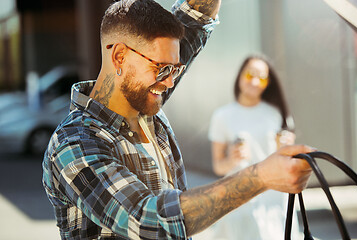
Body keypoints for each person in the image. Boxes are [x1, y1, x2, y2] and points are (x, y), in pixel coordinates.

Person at [42, 1, 314, 239]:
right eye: (162, 69)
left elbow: (198, 15)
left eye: (176, 69)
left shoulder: (145, 101)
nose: (171, 81)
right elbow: (149, 219)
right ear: (119, 56)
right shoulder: (74, 144)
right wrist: (259, 177)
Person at [207, 55, 300, 239]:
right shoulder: (222, 116)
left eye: (262, 77)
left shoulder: (275, 113)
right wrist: (232, 159)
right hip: (239, 198)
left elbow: (283, 159)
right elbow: (218, 167)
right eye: (250, 75)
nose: (255, 82)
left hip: (273, 198)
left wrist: (287, 148)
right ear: (240, 76)